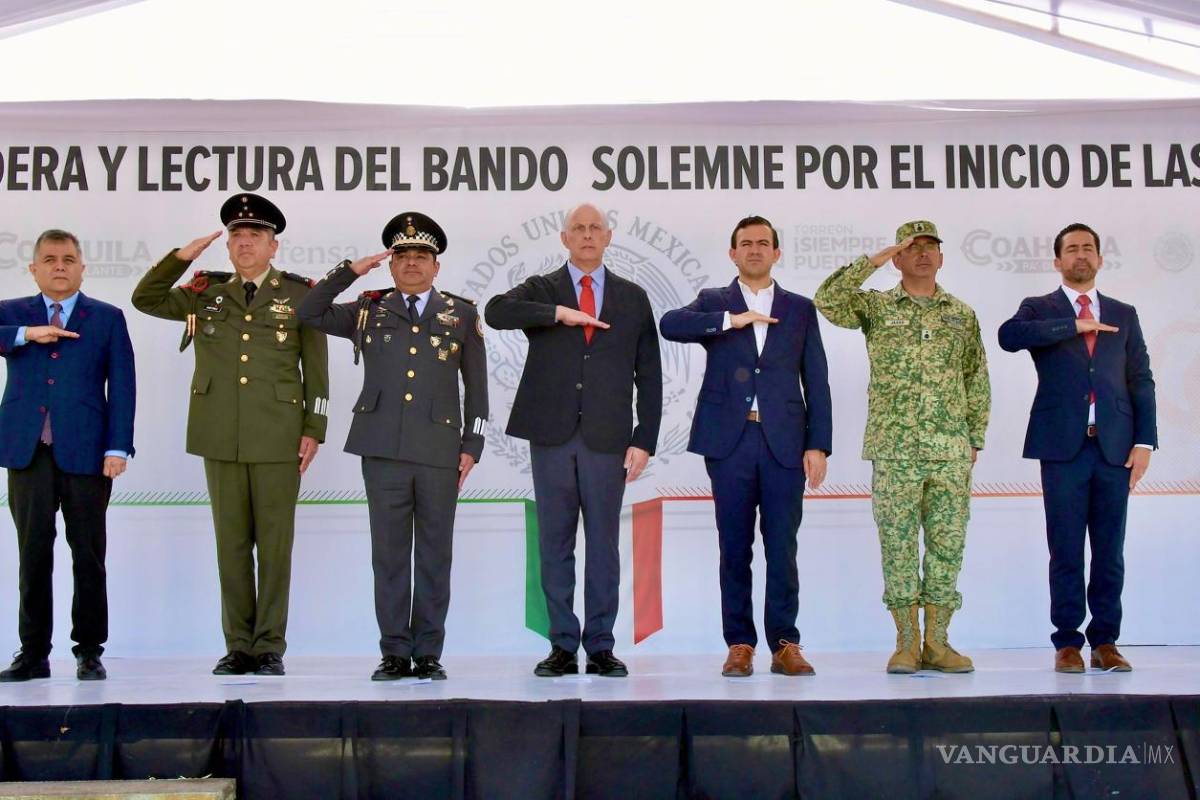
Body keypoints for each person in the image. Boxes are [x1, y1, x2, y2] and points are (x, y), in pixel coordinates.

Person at [132, 194, 328, 677]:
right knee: (232, 544)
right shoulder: (205, 292)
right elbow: (146, 299)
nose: (244, 243)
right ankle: (238, 645)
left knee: (275, 545)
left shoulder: (302, 296)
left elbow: (316, 372)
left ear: (273, 246)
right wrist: (183, 257)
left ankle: (269, 647)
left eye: (254, 236)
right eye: (237, 236)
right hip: (219, 432)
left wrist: (314, 428)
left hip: (279, 435)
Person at [298, 212, 487, 681]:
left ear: (436, 266)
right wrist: (350, 271)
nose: (411, 263)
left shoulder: (461, 313)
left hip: (441, 450)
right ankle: (394, 652)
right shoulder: (368, 308)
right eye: (402, 256)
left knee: (434, 554)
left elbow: (477, 387)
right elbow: (309, 311)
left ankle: (428, 653)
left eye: (421, 256)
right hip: (382, 448)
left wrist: (474, 443)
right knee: (388, 554)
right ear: (391, 264)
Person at [485, 203, 662, 678]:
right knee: (555, 543)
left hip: (608, 438)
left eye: (595, 229)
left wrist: (645, 438)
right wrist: (556, 313)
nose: (586, 235)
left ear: (608, 237)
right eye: (578, 229)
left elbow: (650, 373)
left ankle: (601, 644)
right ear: (564, 239)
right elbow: (495, 311)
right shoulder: (542, 288)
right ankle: (562, 645)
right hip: (552, 436)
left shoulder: (633, 296)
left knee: (604, 545)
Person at [660, 215, 832, 677]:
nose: (754, 249)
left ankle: (784, 644)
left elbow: (816, 378)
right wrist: (730, 321)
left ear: (777, 253)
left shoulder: (799, 308)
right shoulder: (715, 301)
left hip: (785, 443)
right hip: (730, 442)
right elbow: (670, 324)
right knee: (734, 547)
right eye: (745, 243)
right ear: (732, 253)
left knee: (782, 547)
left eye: (763, 243)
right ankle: (739, 643)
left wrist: (819, 444)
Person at [815, 220, 989, 674]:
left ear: (942, 256)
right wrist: (873, 258)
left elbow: (976, 377)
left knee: (947, 547)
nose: (923, 255)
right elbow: (828, 300)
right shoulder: (876, 307)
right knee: (897, 546)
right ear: (897, 257)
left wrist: (974, 437)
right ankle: (906, 643)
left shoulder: (961, 314)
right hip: (895, 450)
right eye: (913, 248)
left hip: (950, 450)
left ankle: (938, 641)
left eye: (931, 247)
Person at [998, 222, 1156, 673]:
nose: (1081, 255)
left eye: (1088, 248)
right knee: (1065, 548)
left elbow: (1140, 379)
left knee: (1109, 550)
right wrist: (1074, 324)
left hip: (1115, 449)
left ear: (1101, 259)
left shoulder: (1124, 313)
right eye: (1072, 249)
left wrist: (1144, 441)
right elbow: (1009, 337)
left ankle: (1105, 641)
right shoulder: (1039, 308)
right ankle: (1066, 642)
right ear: (1058, 261)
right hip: (1063, 448)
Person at [0, 229, 135, 682]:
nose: (60, 265)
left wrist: (118, 446)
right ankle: (33, 652)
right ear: (34, 268)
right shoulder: (12, 314)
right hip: (27, 453)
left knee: (89, 555)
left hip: (88, 455)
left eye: (69, 259)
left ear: (82, 267)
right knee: (32, 553)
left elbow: (123, 386)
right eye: (50, 259)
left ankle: (89, 650)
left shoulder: (107, 317)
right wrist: (23, 334)